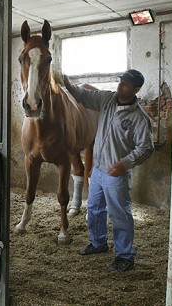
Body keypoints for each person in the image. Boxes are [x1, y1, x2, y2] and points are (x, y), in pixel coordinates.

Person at [63, 69, 154, 272]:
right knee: (94, 209)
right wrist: (68, 84)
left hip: (116, 174)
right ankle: (98, 243)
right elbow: (84, 96)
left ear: (136, 89)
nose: (120, 86)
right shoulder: (107, 100)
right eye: (120, 82)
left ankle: (125, 255)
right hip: (97, 170)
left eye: (125, 84)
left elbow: (146, 148)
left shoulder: (139, 118)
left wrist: (125, 164)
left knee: (119, 214)